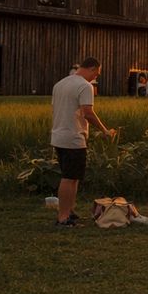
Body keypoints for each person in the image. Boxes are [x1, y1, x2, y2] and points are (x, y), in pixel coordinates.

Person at [50, 57, 115, 227]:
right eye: (96, 74)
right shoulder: (85, 86)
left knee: (73, 177)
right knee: (68, 177)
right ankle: (63, 218)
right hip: (73, 137)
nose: (95, 78)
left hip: (58, 135)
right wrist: (105, 130)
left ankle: (69, 210)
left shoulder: (60, 84)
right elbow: (88, 113)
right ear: (92, 68)